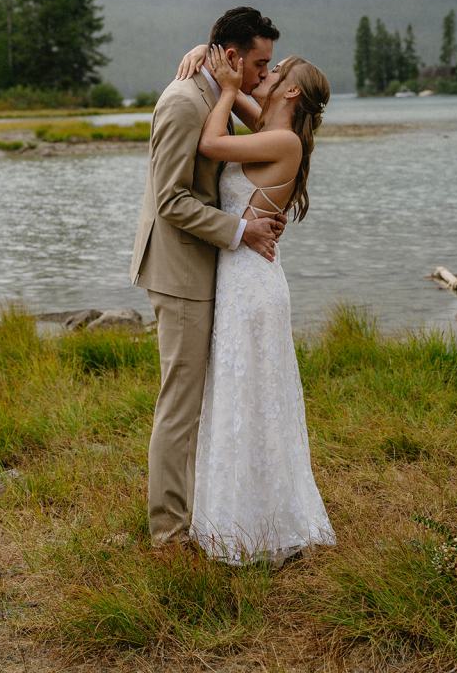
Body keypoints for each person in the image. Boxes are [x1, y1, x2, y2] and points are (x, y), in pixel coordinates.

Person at [129, 7, 286, 547]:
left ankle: (199, 515)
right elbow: (171, 200)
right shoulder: (180, 103)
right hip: (178, 274)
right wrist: (240, 229)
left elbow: (265, 119)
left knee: (198, 402)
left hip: (205, 268)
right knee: (180, 407)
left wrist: (209, 52)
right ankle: (167, 535)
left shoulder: (212, 90)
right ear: (235, 57)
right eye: (259, 64)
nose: (265, 76)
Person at [177, 42, 336, 566]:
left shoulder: (283, 142)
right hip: (241, 279)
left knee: (254, 398)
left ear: (290, 90)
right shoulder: (270, 124)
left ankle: (262, 523)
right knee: (235, 394)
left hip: (254, 287)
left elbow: (211, 143)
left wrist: (224, 89)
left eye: (274, 70)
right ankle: (235, 515)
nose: (258, 75)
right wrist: (205, 50)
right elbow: (235, 91)